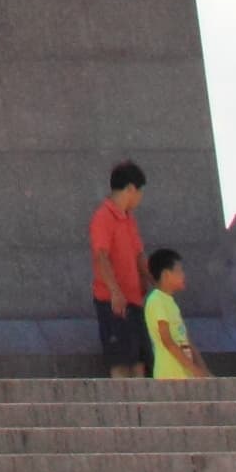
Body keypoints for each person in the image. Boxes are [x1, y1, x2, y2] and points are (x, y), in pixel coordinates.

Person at [90, 159, 151, 380]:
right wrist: (115, 291)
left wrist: (151, 282)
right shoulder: (103, 217)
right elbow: (101, 256)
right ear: (131, 188)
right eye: (140, 192)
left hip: (134, 301)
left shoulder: (129, 219)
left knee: (138, 362)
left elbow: (138, 255)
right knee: (120, 363)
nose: (140, 198)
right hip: (113, 302)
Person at [143, 246, 205, 382]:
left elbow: (185, 339)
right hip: (169, 375)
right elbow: (167, 341)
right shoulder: (156, 300)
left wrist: (202, 369)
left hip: (184, 375)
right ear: (166, 274)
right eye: (179, 271)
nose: (183, 275)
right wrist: (195, 370)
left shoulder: (171, 303)